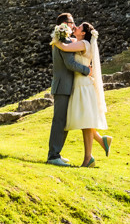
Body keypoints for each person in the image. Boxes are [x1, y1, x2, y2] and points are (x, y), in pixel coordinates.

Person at [54, 21, 113, 167]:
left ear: (83, 33)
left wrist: (56, 36)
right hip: (80, 84)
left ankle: (89, 158)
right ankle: (97, 145)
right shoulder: (80, 42)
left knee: (86, 122)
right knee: (84, 121)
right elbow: (71, 43)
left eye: (79, 27)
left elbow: (65, 47)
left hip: (83, 86)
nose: (76, 27)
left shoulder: (83, 44)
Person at [47, 13, 91, 166]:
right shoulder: (63, 40)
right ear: (65, 24)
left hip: (65, 86)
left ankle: (56, 153)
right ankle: (53, 156)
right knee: (59, 121)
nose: (74, 25)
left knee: (63, 121)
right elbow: (70, 64)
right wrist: (87, 70)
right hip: (62, 86)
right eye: (72, 23)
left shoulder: (63, 40)